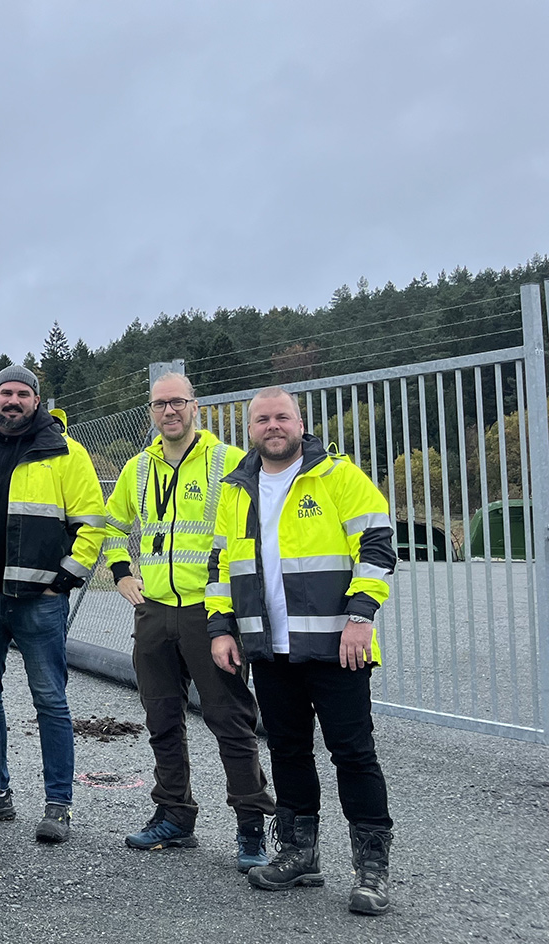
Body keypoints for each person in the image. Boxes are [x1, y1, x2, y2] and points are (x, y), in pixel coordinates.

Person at [206, 386, 397, 916]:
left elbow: (378, 546)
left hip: (338, 647)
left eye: (282, 417)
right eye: (262, 419)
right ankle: (298, 852)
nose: (273, 426)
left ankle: (371, 870)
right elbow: (221, 568)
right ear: (249, 429)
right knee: (288, 752)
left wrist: (360, 617)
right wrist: (221, 629)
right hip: (268, 651)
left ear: (300, 422)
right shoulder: (237, 489)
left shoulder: (337, 476)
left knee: (353, 755)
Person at [104, 372, 275, 870]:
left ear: (195, 406)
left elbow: (246, 536)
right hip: (154, 612)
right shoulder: (138, 469)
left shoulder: (226, 461)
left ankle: (251, 828)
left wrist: (231, 608)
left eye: (177, 402)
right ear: (151, 412)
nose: (169, 411)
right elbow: (112, 525)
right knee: (161, 718)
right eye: (160, 404)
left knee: (230, 721)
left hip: (209, 612)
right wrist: (119, 571)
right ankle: (175, 816)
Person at [0, 365, 106, 842]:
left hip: (39, 601)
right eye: (6, 393)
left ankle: (57, 804)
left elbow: (92, 524)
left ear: (37, 401)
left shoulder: (65, 451)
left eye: (23, 394)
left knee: (50, 700)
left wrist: (64, 579)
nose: (13, 401)